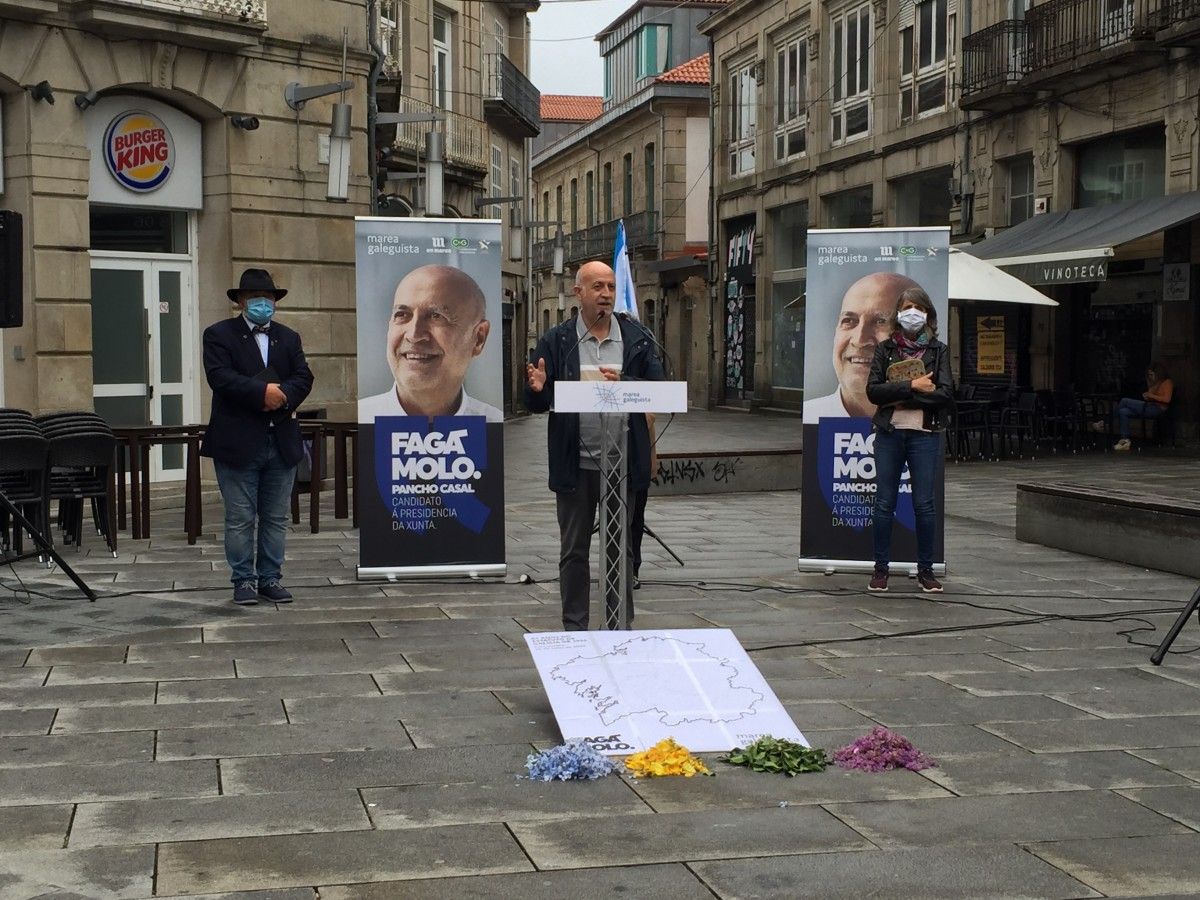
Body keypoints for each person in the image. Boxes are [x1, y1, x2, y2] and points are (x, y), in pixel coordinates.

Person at [524, 260, 665, 630]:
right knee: (574, 551)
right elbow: (537, 404)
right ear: (579, 293)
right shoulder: (558, 341)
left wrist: (626, 382)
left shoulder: (637, 337)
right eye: (597, 287)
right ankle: (575, 628)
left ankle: (620, 627)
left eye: (610, 287)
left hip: (623, 461)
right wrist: (537, 388)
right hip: (578, 461)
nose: (605, 295)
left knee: (622, 550)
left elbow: (659, 389)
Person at [201, 268, 314, 606]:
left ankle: (270, 578)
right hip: (238, 441)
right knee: (239, 517)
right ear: (240, 301)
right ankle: (244, 580)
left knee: (276, 516)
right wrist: (262, 392)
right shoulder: (219, 334)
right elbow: (220, 377)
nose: (262, 304)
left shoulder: (288, 337)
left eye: (268, 299)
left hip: (280, 440)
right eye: (254, 299)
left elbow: (303, 376)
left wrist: (282, 396)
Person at [865, 286, 953, 594]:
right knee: (884, 503)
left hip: (925, 437)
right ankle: (880, 570)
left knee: (924, 505)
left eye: (918, 307)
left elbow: (945, 394)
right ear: (898, 313)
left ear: (927, 313)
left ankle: (926, 571)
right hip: (890, 434)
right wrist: (914, 386)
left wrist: (902, 395)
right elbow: (874, 391)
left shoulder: (938, 350)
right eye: (906, 307)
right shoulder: (885, 349)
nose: (912, 312)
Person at [359, 264, 503, 423]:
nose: (414, 335)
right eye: (402, 315)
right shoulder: (364, 421)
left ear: (478, 338)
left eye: (436, 316)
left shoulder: (491, 425)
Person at [804, 272, 921, 422]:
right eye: (849, 320)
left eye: (881, 321)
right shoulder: (813, 419)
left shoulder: (927, 419)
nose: (860, 340)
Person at [1106, 362, 1174, 451]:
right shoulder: (1155, 383)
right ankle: (1125, 441)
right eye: (1149, 375)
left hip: (1158, 409)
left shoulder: (1167, 382)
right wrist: (1149, 394)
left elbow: (1167, 399)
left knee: (1124, 401)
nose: (1150, 377)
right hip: (1149, 406)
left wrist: (1151, 396)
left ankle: (1106, 422)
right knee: (1123, 411)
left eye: (1152, 375)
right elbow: (1151, 396)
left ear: (1158, 374)